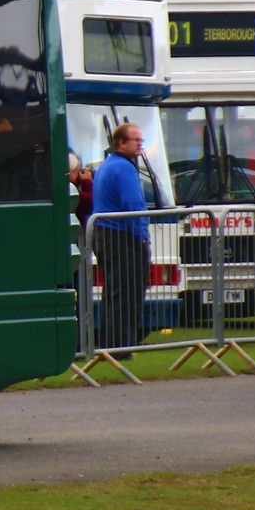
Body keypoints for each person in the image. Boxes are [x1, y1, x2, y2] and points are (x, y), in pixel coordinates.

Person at [90, 122, 151, 352]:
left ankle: (111, 345)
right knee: (128, 295)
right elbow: (132, 205)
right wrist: (142, 237)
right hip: (122, 237)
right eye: (136, 140)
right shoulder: (125, 168)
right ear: (121, 143)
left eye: (141, 140)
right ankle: (122, 347)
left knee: (113, 293)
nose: (140, 144)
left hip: (104, 235)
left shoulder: (106, 165)